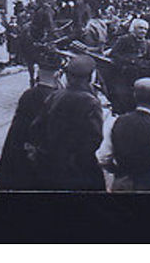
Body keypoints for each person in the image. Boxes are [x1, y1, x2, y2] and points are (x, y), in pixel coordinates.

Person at [29, 55, 105, 190]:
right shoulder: (91, 102)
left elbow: (36, 128)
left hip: (52, 164)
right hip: (80, 169)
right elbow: (95, 138)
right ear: (90, 77)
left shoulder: (55, 95)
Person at [96, 78, 150, 191]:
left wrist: (118, 172)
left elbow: (102, 158)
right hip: (147, 187)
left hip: (121, 184)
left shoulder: (114, 122)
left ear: (134, 96)